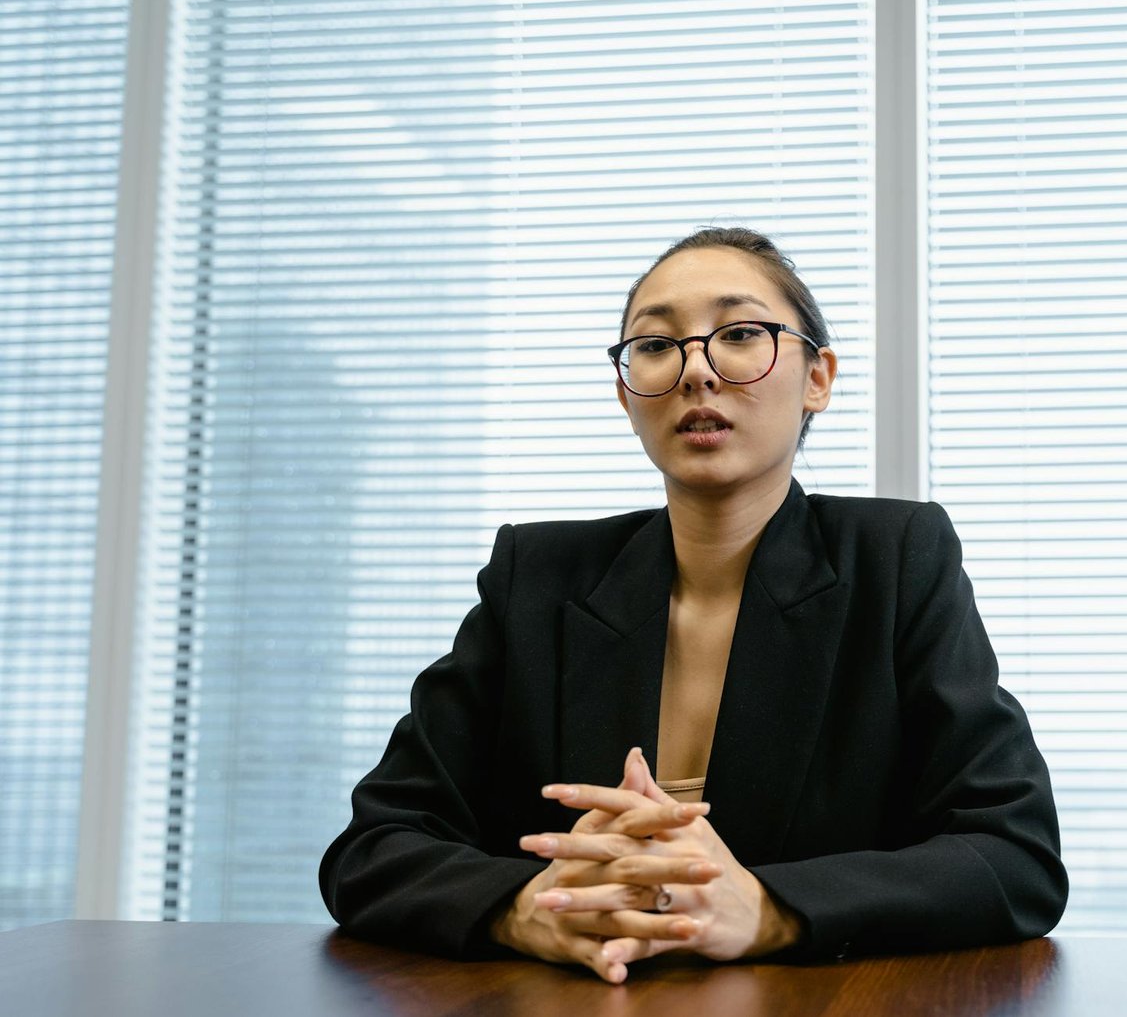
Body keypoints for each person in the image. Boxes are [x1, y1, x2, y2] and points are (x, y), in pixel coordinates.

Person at [318, 227, 1067, 984]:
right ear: (626, 392)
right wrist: (527, 908)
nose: (696, 370)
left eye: (739, 334)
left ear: (818, 377)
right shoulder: (535, 576)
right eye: (655, 345)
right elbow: (372, 849)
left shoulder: (897, 559)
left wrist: (767, 910)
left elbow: (1015, 858)